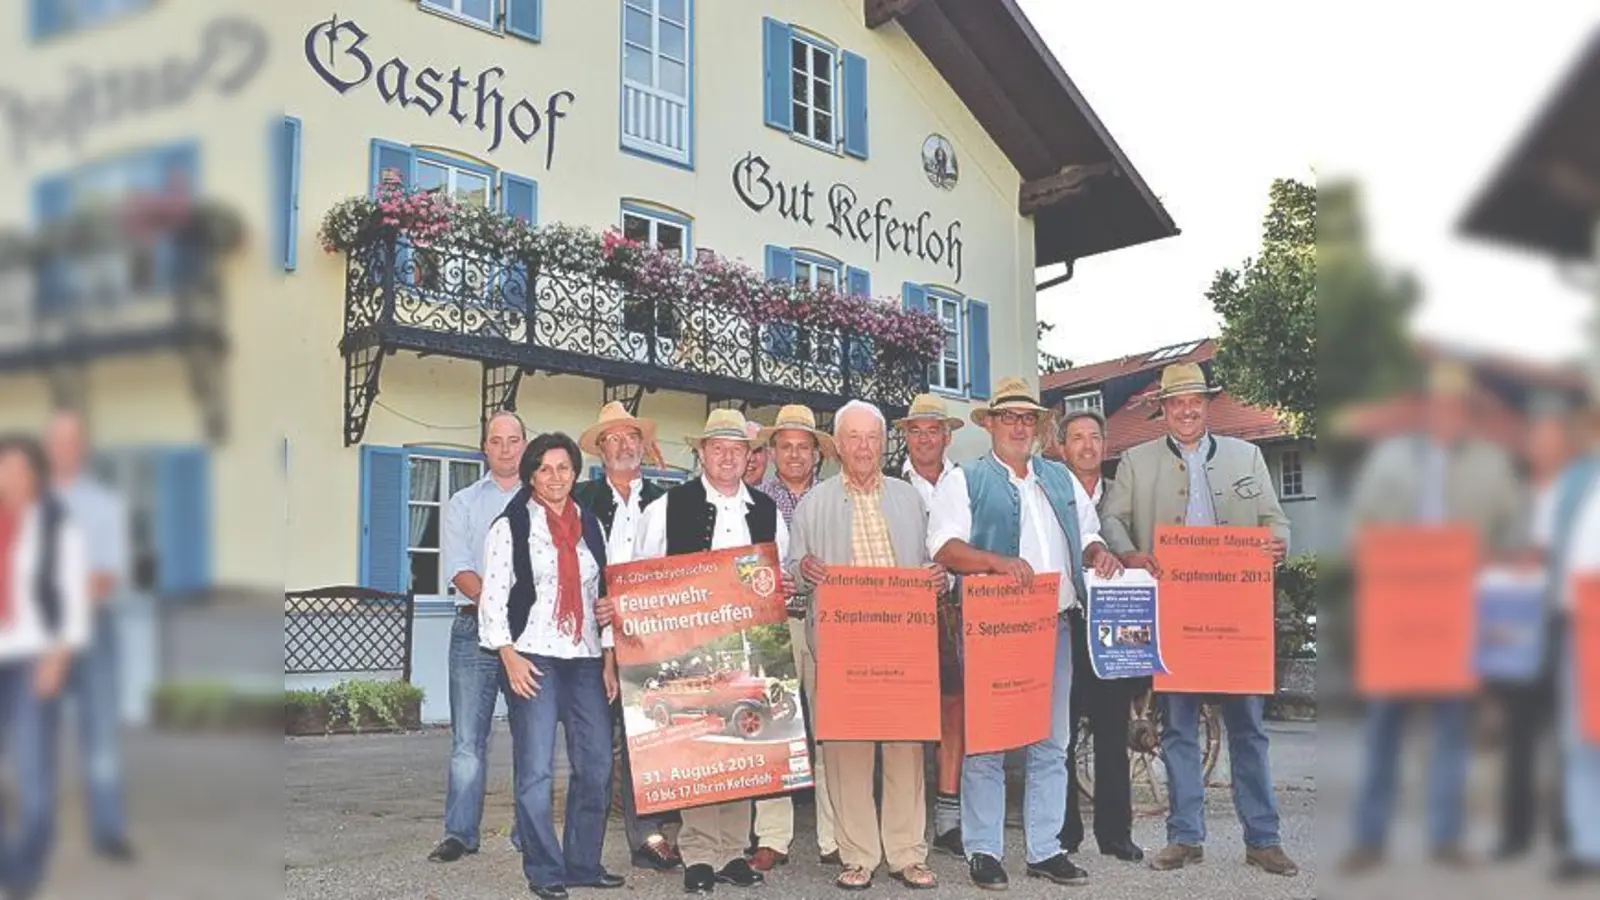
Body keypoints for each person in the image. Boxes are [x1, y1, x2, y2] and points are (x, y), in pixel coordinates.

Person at [1099, 362, 1298, 876]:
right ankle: (1185, 836)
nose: (1186, 410)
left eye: (1195, 401)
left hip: (1239, 614)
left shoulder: (1247, 454)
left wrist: (1279, 544)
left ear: (1206, 406)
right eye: (1176, 403)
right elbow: (1111, 521)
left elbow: (1276, 520)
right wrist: (1132, 554)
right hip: (1175, 615)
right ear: (1162, 410)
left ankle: (1263, 838)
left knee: (1249, 729)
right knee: (1179, 730)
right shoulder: (1136, 461)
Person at [928, 376, 1123, 890]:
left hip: (1053, 628)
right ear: (990, 424)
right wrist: (993, 562)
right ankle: (984, 850)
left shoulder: (1060, 478)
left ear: (1038, 428)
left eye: (1026, 418)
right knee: (987, 743)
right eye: (1008, 417)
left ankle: (1044, 847)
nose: (1018, 426)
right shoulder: (964, 479)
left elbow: (1087, 535)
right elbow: (944, 548)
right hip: (992, 628)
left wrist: (1098, 553)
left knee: (1050, 742)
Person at [1339, 361, 1526, 873]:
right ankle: (1369, 839)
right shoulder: (1390, 460)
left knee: (1451, 731)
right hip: (1395, 618)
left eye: (1456, 404)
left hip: (1459, 620)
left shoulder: (1493, 464)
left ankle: (1446, 836)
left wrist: (1495, 565)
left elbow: (1516, 538)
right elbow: (1358, 528)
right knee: (1383, 731)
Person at [633, 409, 794, 896]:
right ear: (701, 453)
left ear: (750, 457)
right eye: (717, 448)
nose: (727, 456)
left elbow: (778, 572)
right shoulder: (665, 507)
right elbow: (641, 575)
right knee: (702, 747)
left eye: (737, 448)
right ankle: (700, 853)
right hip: (692, 647)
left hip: (746, 643)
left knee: (742, 746)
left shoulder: (766, 512)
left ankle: (731, 851)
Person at [789, 400, 943, 890]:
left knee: (905, 749)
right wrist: (804, 571)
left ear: (882, 443)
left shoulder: (907, 498)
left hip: (902, 642)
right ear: (837, 446)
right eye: (853, 437)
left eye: (871, 437)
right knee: (847, 750)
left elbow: (926, 562)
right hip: (841, 645)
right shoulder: (813, 503)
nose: (862, 446)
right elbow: (794, 567)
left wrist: (938, 578)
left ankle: (905, 852)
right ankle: (857, 854)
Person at [479, 432, 624, 900]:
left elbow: (600, 595)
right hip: (532, 656)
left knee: (597, 763)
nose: (555, 477)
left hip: (583, 659)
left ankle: (582, 862)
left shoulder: (591, 523)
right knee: (536, 770)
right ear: (531, 474)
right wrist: (508, 655)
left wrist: (607, 656)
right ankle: (544, 868)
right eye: (545, 468)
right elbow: (494, 599)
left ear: (576, 473)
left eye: (564, 468)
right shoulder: (512, 526)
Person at [570, 402, 681, 871]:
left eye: (630, 436)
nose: (623, 445)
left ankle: (647, 837)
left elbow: (678, 571)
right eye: (612, 438)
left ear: (642, 444)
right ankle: (582, 844)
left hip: (649, 637)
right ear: (600, 449)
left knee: (646, 741)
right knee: (592, 744)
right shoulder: (578, 500)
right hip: (589, 638)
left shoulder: (668, 500)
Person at [431, 410, 527, 863]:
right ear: (484, 447)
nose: (505, 449)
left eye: (513, 440)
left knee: (534, 737)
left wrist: (515, 616)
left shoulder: (540, 501)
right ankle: (460, 834)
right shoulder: (464, 502)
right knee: (468, 740)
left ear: (524, 446)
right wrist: (497, 608)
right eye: (496, 441)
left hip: (530, 634)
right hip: (474, 631)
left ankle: (530, 834)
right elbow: (459, 570)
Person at [0, 434, 90, 899]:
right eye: (3, 469)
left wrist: (57, 657)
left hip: (35, 659)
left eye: (19, 470)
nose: (9, 478)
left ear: (35, 475)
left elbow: (74, 602)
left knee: (35, 782)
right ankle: (10, 868)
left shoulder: (58, 526)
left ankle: (25, 870)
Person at [43, 411, 135, 861]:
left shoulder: (103, 505)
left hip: (94, 629)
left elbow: (103, 578)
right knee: (30, 729)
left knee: (100, 735)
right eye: (55, 440)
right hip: (34, 631)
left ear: (81, 448)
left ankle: (107, 830)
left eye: (70, 441)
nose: (62, 449)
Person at [1054, 408, 1145, 862]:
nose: (1087, 446)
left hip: (1116, 629)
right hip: (1066, 625)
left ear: (1105, 445)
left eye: (1094, 437)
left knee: (1113, 730)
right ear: (1061, 447)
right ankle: (1064, 832)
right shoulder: (1049, 493)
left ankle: (1115, 833)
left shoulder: (1120, 496)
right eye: (1077, 438)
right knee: (1062, 735)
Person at [749, 404, 836, 871]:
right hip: (774, 624)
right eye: (786, 446)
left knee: (831, 732)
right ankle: (773, 836)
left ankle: (834, 835)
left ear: (817, 455)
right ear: (773, 450)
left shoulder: (835, 498)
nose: (795, 454)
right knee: (773, 730)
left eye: (804, 447)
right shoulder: (754, 500)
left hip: (827, 623)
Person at [1492, 399, 1575, 860]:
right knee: (1518, 734)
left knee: (1567, 736)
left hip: (1568, 622)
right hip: (1519, 622)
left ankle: (1568, 835)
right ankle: (1515, 834)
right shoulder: (1515, 496)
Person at [891, 393, 967, 858]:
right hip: (901, 611)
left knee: (954, 710)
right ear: (906, 436)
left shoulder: (967, 480)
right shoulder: (887, 484)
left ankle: (949, 815)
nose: (924, 439)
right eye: (915, 430)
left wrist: (951, 570)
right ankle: (907, 815)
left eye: (932, 430)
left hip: (955, 609)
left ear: (947, 435)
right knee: (904, 713)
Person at [1538, 404, 1600, 882]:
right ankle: (1587, 845)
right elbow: (1542, 544)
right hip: (1577, 623)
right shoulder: (1570, 482)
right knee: (1580, 739)